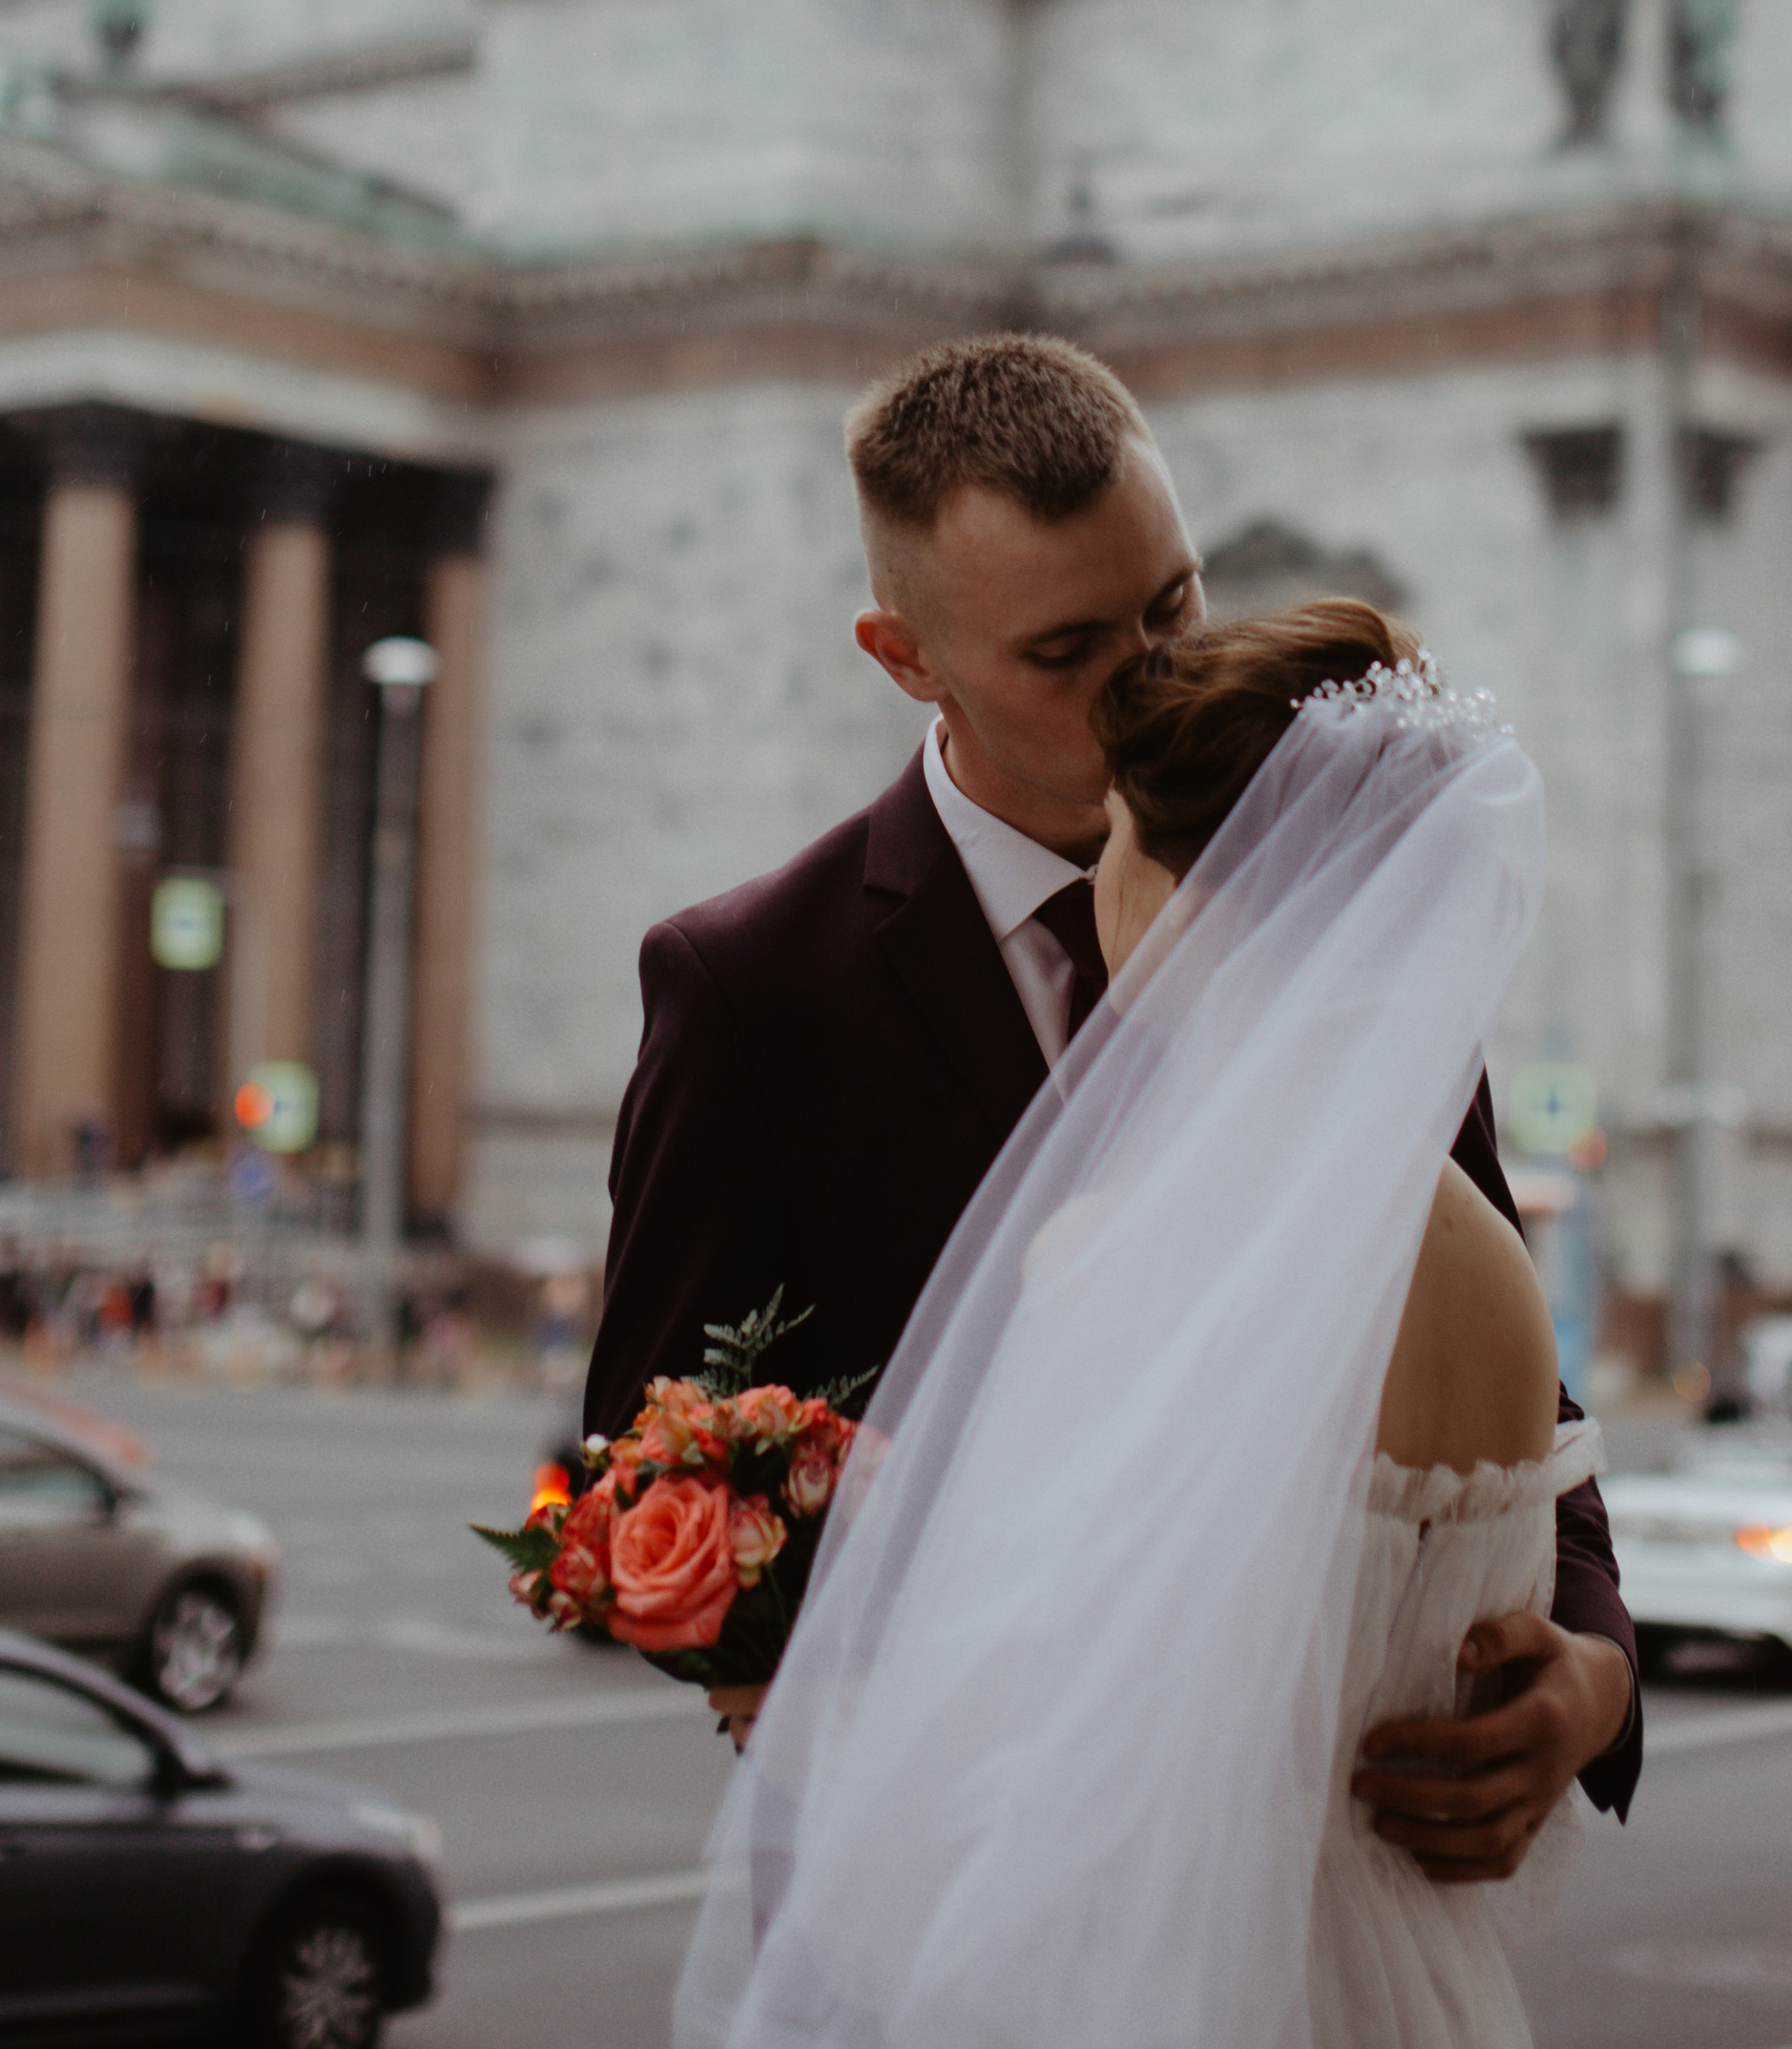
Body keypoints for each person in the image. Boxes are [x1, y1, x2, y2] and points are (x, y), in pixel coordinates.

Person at [587, 331, 1636, 1852]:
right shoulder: (752, 988)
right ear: (908, 658)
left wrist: (1590, 1679)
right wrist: (811, 1713)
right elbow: (648, 1469)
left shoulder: (1337, 929)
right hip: (929, 1892)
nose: (1151, 682)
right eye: (1067, 652)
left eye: (1173, 605)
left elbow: (1521, 1392)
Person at [675, 602, 1596, 2049]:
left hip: (1156, 1975)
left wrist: (806, 1712)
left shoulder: (1140, 1237)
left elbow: (1099, 1750)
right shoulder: (1482, 1254)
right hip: (1394, 1969)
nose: (1100, 877)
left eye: (1116, 841)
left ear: (1201, 903)